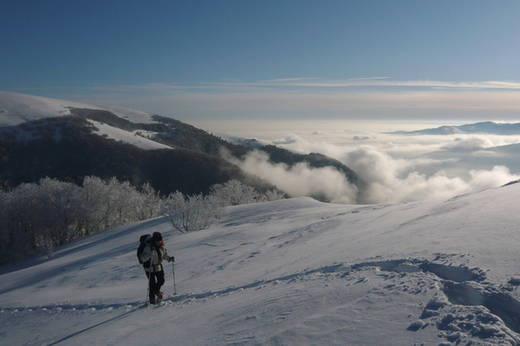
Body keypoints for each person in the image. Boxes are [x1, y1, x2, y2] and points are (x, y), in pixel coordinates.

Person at [140, 231, 174, 304]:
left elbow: (164, 255)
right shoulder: (148, 247)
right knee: (152, 283)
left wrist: (169, 258)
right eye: (158, 241)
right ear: (154, 241)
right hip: (149, 268)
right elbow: (142, 259)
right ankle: (152, 299)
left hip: (158, 266)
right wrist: (149, 255)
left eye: (160, 240)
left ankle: (157, 292)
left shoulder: (161, 246)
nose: (159, 242)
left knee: (161, 280)